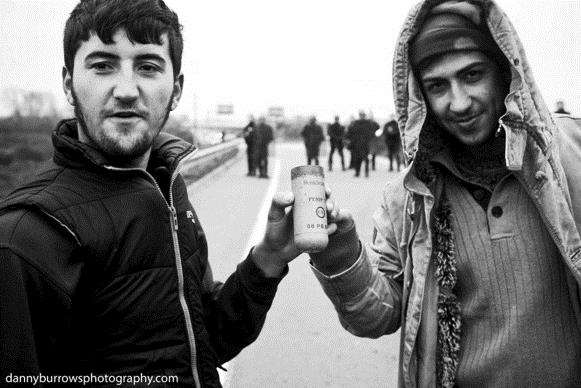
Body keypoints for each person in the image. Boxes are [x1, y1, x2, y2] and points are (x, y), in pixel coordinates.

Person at [0, 1, 308, 386]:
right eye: (102, 65)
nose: (126, 90)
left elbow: (202, 342)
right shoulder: (27, 236)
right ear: (68, 84)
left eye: (147, 66)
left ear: (176, 89)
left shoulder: (167, 190)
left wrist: (268, 259)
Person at [308, 1, 581, 387]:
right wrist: (339, 254)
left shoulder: (570, 156)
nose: (459, 102)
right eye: (438, 85)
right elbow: (378, 314)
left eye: (472, 75)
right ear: (420, 96)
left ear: (504, 71)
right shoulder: (408, 196)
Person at [345, 110, 376, 177]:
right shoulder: (356, 123)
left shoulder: (368, 123)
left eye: (363, 115)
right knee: (358, 159)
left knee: (365, 159)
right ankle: (357, 172)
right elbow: (350, 132)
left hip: (365, 144)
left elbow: (374, 130)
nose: (362, 116)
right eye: (361, 115)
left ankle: (366, 172)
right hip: (357, 144)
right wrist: (349, 139)